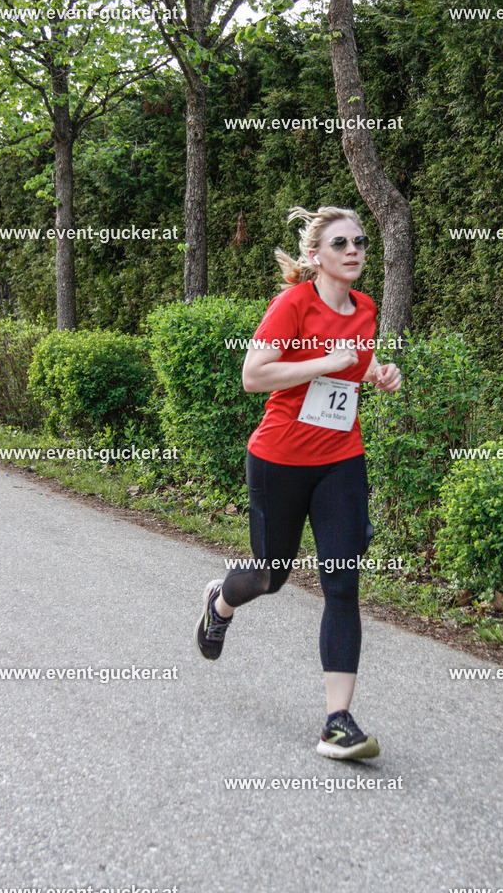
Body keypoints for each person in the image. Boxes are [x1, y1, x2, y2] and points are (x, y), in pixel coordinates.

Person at [195, 205, 401, 759]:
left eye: (360, 241)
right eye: (341, 244)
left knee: (342, 582)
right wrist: (320, 363)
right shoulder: (292, 304)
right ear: (316, 257)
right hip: (279, 459)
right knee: (270, 575)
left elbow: (358, 361)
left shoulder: (365, 308)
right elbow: (252, 376)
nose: (354, 250)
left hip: (341, 459)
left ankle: (339, 722)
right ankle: (220, 602)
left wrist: (379, 372)